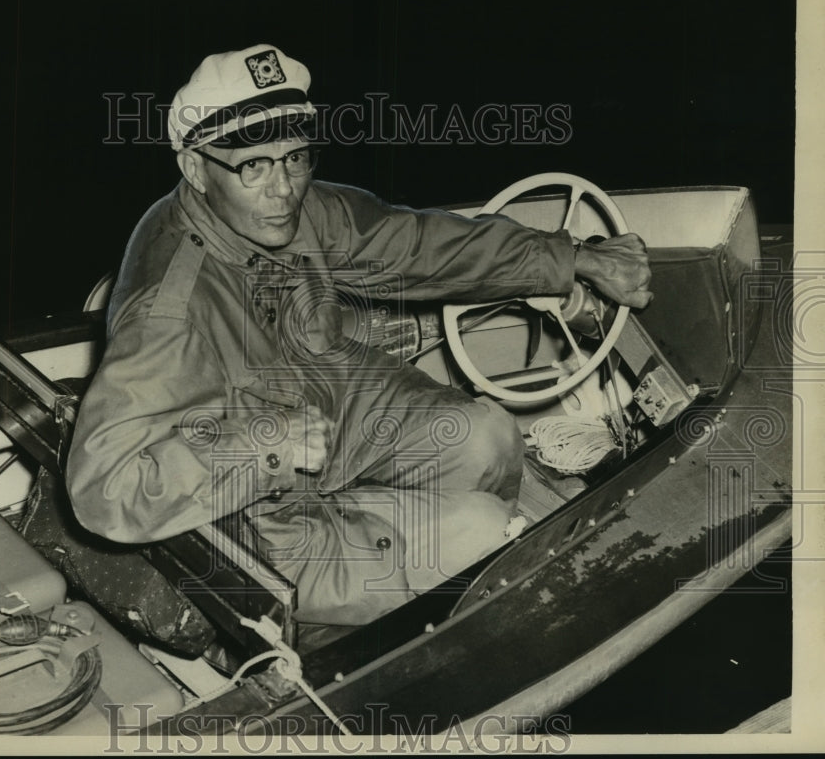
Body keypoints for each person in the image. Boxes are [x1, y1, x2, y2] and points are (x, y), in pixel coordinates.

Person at [66, 44, 652, 627]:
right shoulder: (169, 315)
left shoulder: (278, 210)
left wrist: (571, 258)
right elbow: (104, 492)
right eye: (253, 166)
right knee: (485, 535)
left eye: (296, 158)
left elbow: (417, 245)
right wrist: (268, 445)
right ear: (196, 168)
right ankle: (383, 623)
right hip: (258, 521)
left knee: (490, 434)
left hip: (331, 411)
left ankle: (429, 588)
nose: (283, 190)